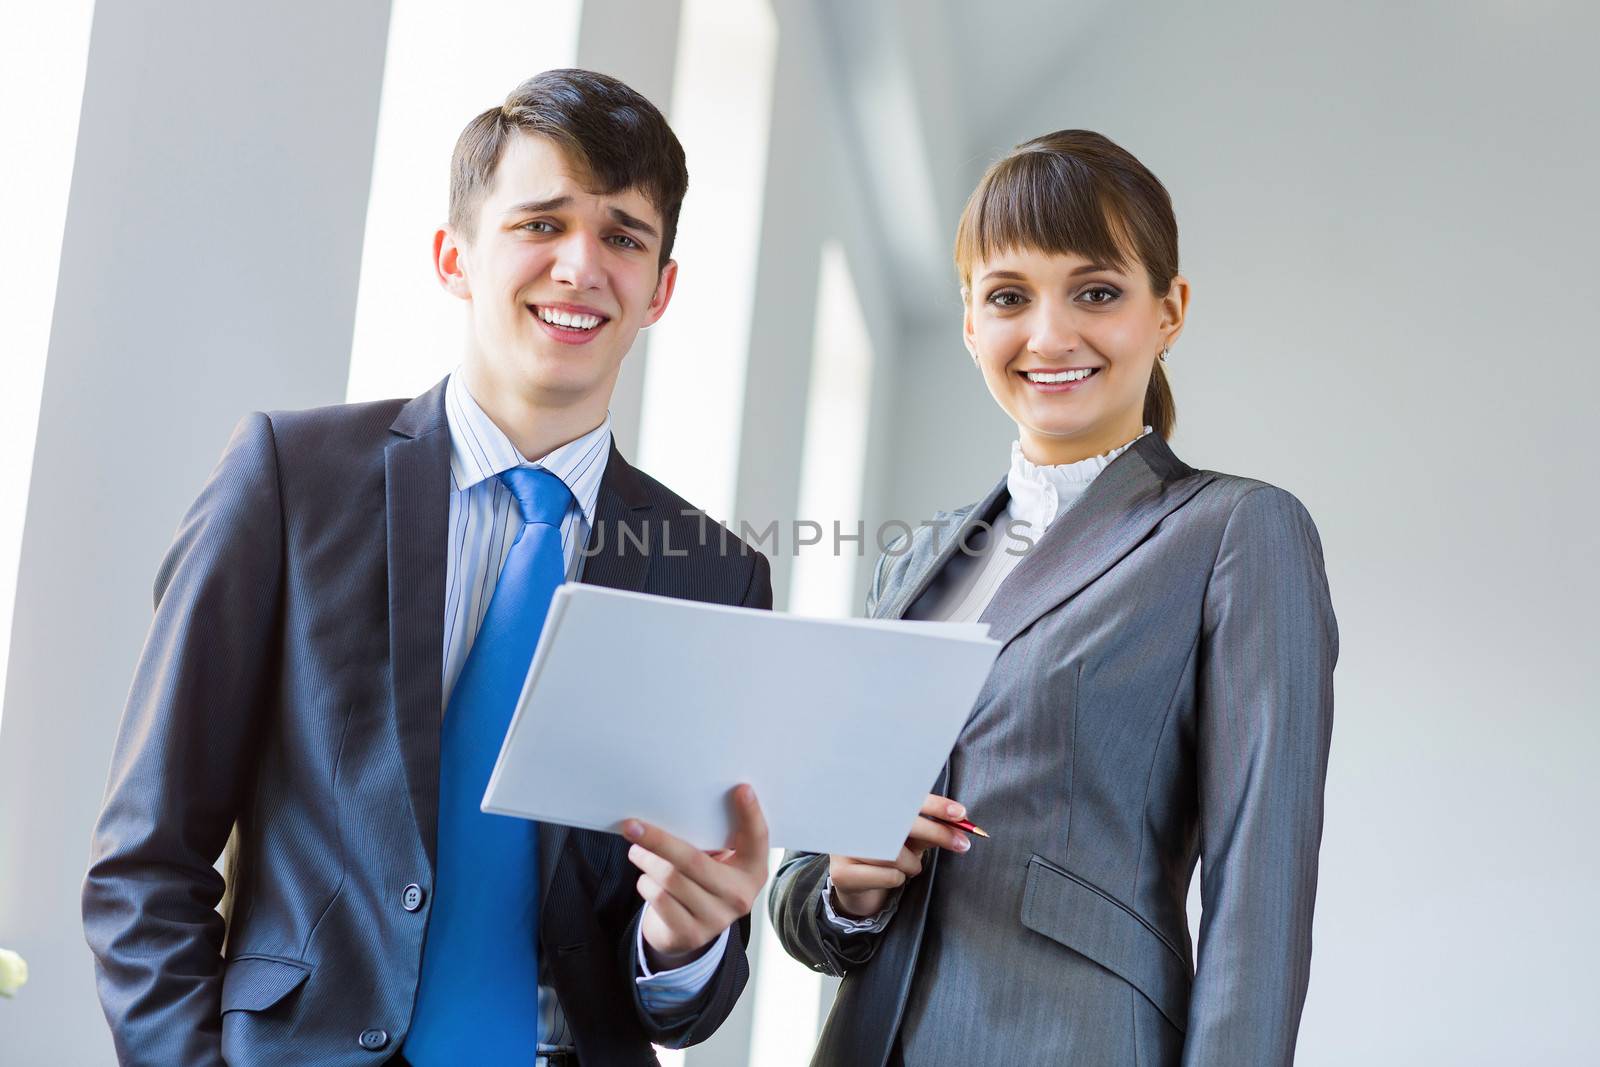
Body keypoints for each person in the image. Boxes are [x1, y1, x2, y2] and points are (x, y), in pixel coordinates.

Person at [82, 69, 773, 1066]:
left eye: (623, 236)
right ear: (455, 257)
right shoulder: (289, 478)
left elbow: (677, 995)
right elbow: (148, 856)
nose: (581, 264)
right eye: (540, 224)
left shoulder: (715, 574)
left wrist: (685, 937)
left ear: (660, 289)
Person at [769, 130, 1339, 1065]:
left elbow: (1261, 890)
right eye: (1007, 298)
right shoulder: (914, 563)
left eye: (1098, 292)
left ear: (1170, 311)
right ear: (968, 323)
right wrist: (848, 885)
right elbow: (803, 887)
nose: (1049, 335)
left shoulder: (1237, 530)